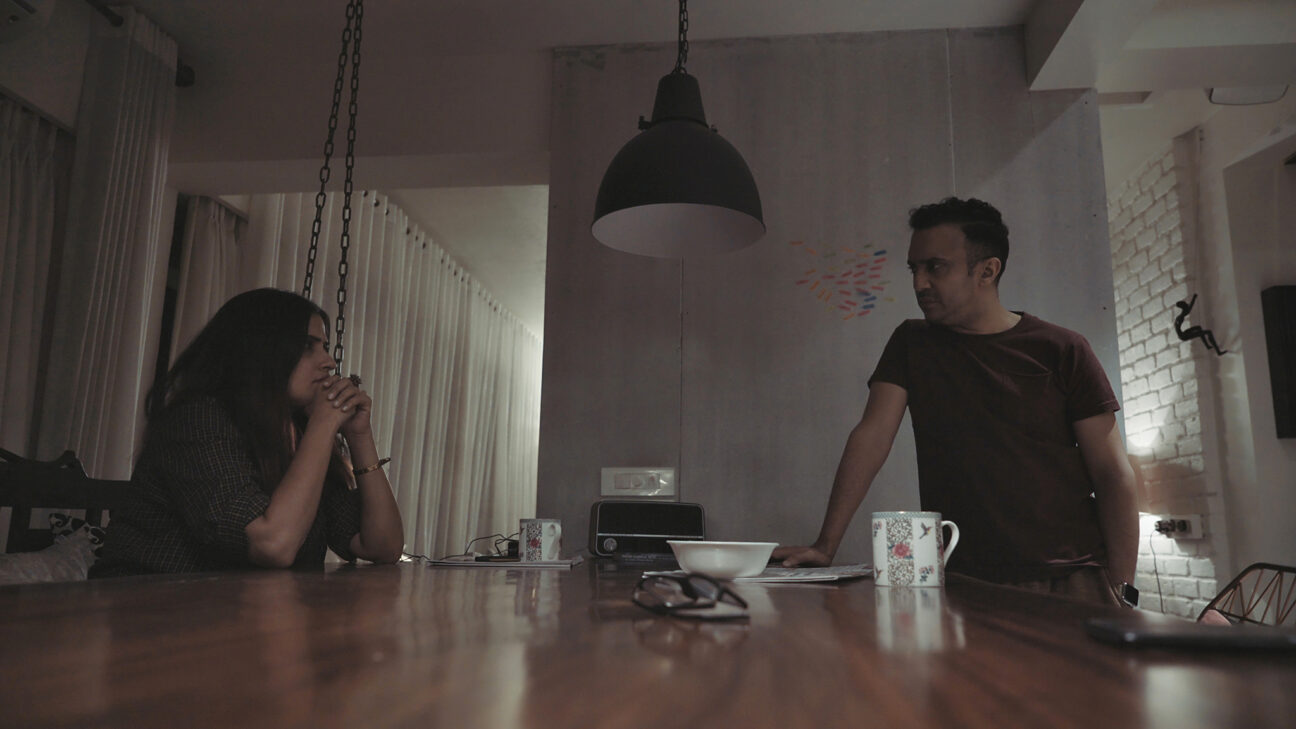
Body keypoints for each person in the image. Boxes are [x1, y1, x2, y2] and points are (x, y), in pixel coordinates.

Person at [774, 198, 1139, 606]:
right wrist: (826, 544)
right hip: (963, 580)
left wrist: (1123, 590)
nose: (919, 283)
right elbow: (871, 437)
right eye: (914, 269)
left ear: (987, 271)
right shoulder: (912, 343)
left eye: (935, 267)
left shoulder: (1063, 349)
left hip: (1071, 578)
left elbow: (1112, 474)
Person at [91, 288, 404, 576]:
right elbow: (273, 545)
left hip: (246, 608)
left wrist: (359, 437)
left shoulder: (299, 432)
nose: (330, 362)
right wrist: (323, 425)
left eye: (325, 347)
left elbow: (383, 546)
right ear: (262, 350)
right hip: (153, 607)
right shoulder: (200, 418)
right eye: (308, 347)